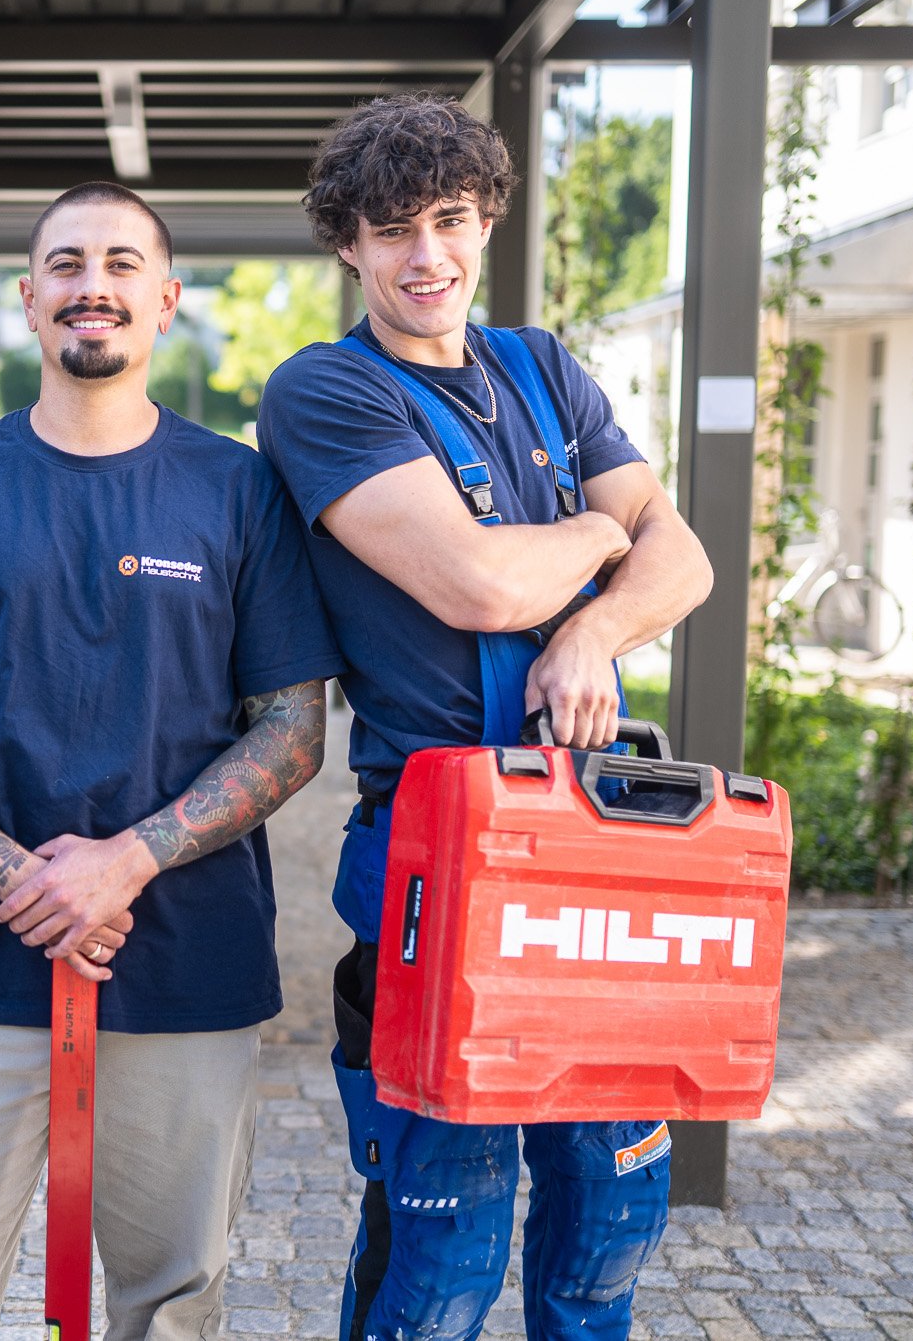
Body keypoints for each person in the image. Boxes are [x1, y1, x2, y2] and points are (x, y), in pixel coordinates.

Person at [0, 181, 343, 1341]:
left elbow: (291, 727)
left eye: (122, 264)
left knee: (171, 1298)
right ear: (27, 300)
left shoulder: (238, 487)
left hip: (188, 957)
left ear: (165, 300)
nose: (93, 285)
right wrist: (29, 882)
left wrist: (124, 861)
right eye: (66, 264)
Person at [255, 95, 716, 1340]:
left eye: (448, 220)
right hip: (433, 840)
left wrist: (589, 630)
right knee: (446, 1241)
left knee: (607, 1219)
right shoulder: (322, 393)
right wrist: (605, 529)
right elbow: (476, 582)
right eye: (390, 227)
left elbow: (688, 566)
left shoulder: (543, 366)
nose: (426, 257)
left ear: (485, 220)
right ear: (345, 243)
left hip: (594, 838)